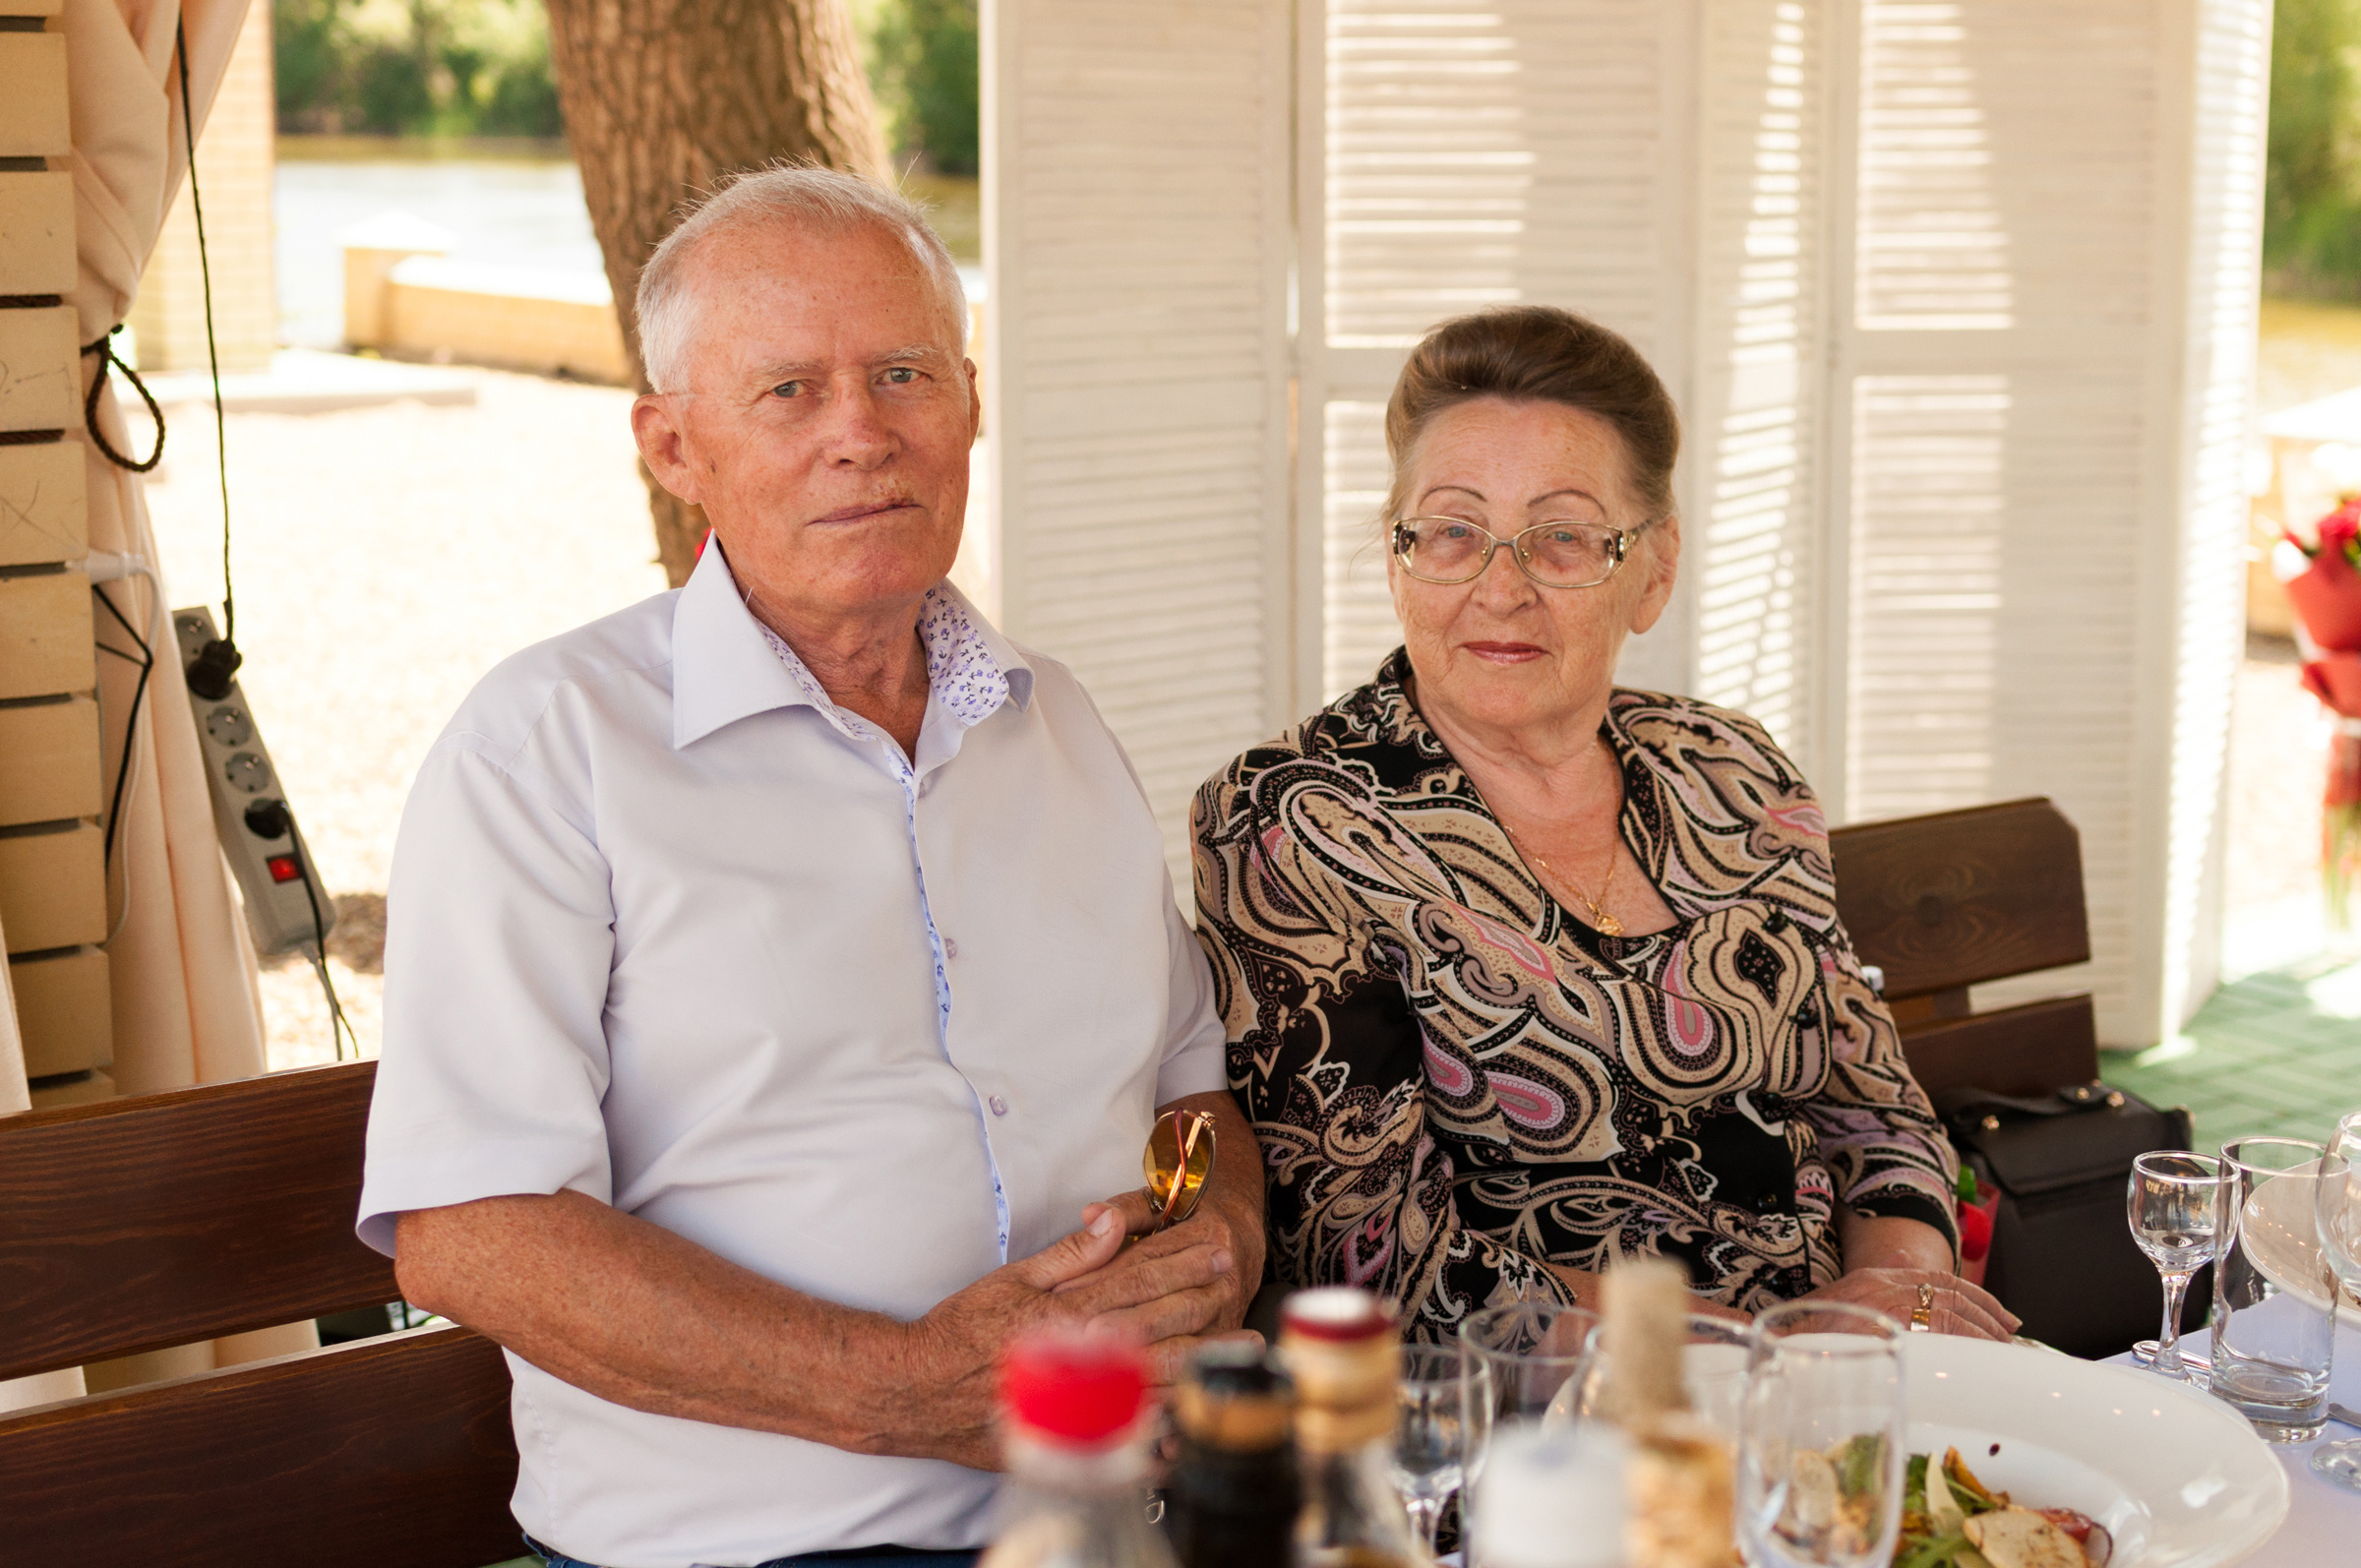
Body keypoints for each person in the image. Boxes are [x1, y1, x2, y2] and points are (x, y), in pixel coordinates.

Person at [357, 166, 1264, 1568]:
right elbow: (472, 1229)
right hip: (754, 1547)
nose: (863, 434)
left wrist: (1225, 1243)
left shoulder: (1057, 719)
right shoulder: (550, 742)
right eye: (788, 389)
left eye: (904, 373)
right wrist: (900, 1385)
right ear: (673, 446)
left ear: (970, 404)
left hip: (1124, 1513)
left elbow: (1186, 1087)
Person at [1190, 305, 2013, 1344]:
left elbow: (1875, 1107)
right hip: (1544, 1422)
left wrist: (1903, 1299)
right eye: (1451, 531)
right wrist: (1762, 1351)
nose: (1499, 587)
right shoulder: (1295, 820)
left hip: (1841, 1371)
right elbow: (1375, 1257)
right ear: (1399, 560)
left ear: (1652, 571)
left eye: (1563, 539)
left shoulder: (1734, 775)